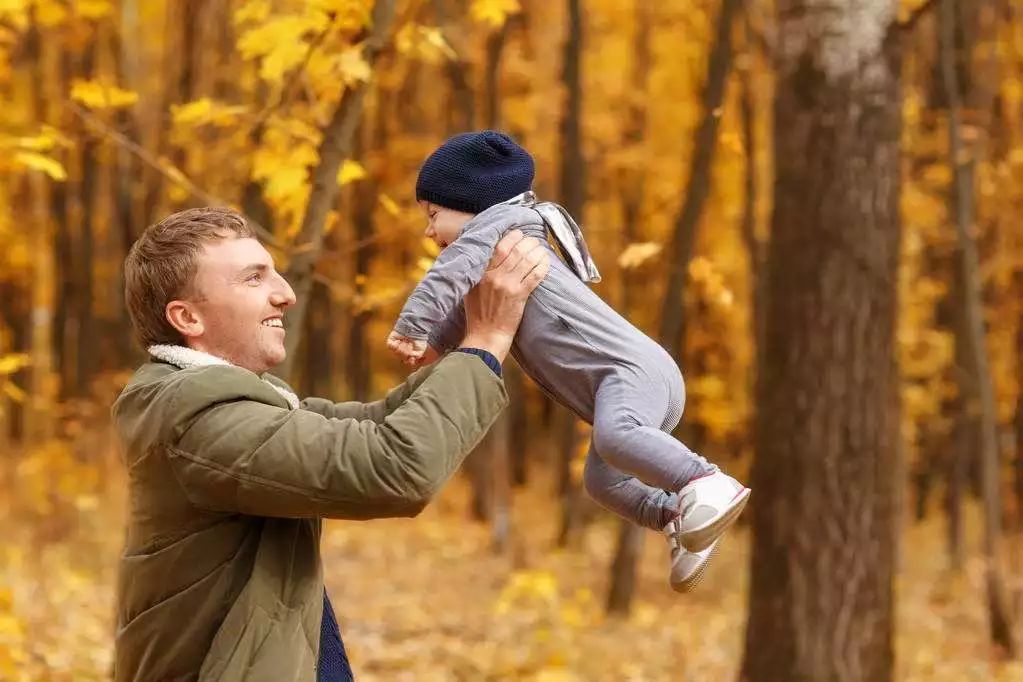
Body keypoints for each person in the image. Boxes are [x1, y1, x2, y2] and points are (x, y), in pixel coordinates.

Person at [111, 206, 548, 681]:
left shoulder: (228, 405)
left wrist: (462, 344)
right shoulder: (198, 419)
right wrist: (487, 338)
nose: (286, 294)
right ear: (187, 318)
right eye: (254, 279)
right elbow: (396, 467)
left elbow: (377, 424)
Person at [387, 130, 751, 593]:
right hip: (624, 385)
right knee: (603, 483)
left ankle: (705, 480)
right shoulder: (502, 254)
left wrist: (413, 325)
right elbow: (464, 307)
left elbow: (448, 274)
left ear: (472, 207)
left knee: (616, 436)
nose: (428, 230)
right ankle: (679, 518)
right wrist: (433, 346)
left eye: (434, 215)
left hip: (630, 372)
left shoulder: (499, 231)